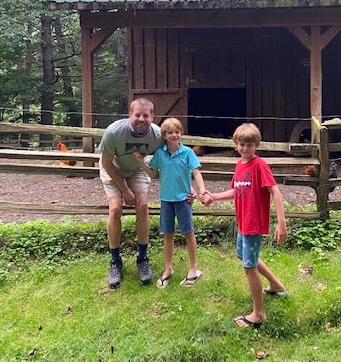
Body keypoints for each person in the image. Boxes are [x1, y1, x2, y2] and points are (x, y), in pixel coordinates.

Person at [201, 123, 288, 328]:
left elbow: (275, 192)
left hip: (253, 224)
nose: (245, 148)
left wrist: (281, 223)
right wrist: (214, 197)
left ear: (256, 145)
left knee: (249, 266)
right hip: (243, 221)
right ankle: (276, 284)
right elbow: (236, 191)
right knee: (245, 257)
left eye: (249, 144)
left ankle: (259, 313)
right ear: (236, 145)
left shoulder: (260, 166)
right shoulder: (240, 165)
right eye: (241, 144)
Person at [134, 118, 206, 289]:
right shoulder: (160, 153)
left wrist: (202, 190)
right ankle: (168, 268)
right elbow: (152, 174)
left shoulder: (188, 152)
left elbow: (196, 172)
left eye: (177, 132)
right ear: (164, 136)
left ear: (181, 133)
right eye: (170, 132)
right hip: (166, 200)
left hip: (183, 200)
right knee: (168, 234)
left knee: (188, 232)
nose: (174, 135)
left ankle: (193, 268)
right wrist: (140, 162)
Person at [99, 98, 164, 288]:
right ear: (130, 115)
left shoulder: (158, 135)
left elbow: (172, 158)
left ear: (152, 117)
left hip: (137, 169)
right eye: (137, 115)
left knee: (142, 206)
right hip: (113, 168)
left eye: (146, 115)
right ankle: (115, 261)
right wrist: (125, 189)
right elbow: (106, 163)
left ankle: (143, 258)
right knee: (115, 209)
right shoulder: (114, 132)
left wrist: (185, 186)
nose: (141, 119)